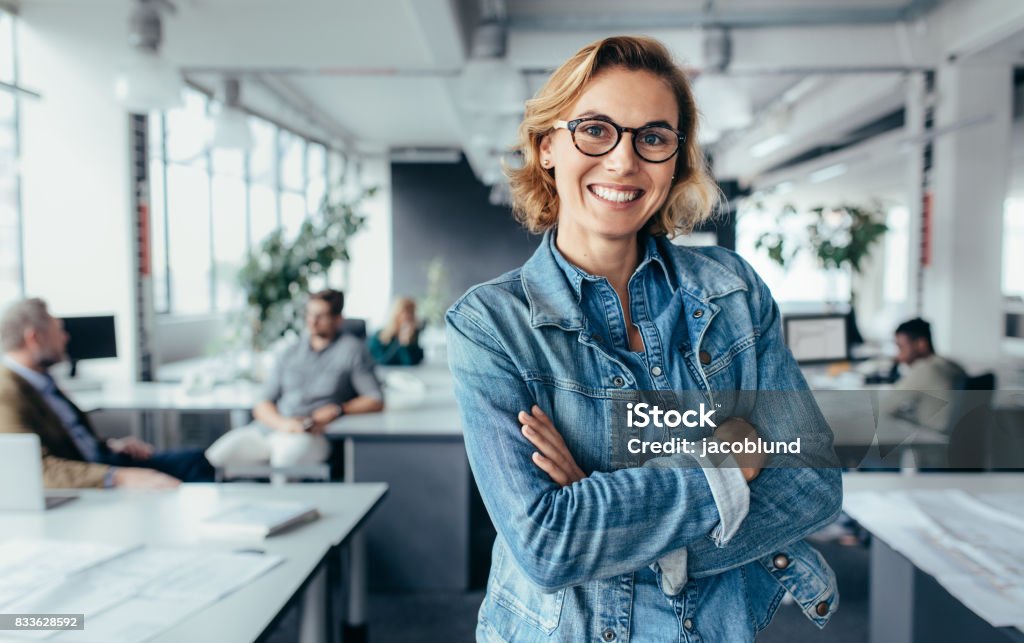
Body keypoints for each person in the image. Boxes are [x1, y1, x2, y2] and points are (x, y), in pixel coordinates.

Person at [445, 36, 841, 642]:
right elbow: (547, 545)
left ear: (675, 160)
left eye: (652, 137)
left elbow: (810, 480)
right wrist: (724, 465)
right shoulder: (492, 325)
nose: (624, 161)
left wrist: (610, 516)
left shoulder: (731, 292)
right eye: (595, 130)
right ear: (548, 145)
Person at [0, 298, 213, 488]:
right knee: (188, 469)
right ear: (34, 338)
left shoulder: (42, 381)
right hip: (90, 476)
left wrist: (110, 445)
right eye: (59, 331)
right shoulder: (7, 392)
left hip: (103, 460)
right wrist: (120, 477)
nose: (66, 338)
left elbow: (71, 437)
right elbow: (33, 469)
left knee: (194, 459)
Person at [205, 289, 384, 470]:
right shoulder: (290, 351)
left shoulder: (352, 351)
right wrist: (284, 424)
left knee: (284, 461)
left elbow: (375, 399)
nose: (313, 322)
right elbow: (262, 403)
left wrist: (338, 410)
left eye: (321, 316)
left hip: (311, 434)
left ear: (338, 319)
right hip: (272, 428)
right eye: (310, 314)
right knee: (217, 457)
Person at [879, 317, 967, 432]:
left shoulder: (923, 369)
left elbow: (885, 408)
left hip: (931, 439)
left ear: (921, 344)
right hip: (951, 437)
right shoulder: (953, 365)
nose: (898, 356)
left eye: (901, 348)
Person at [368, 297, 424, 366]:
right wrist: (398, 343)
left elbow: (410, 363)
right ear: (396, 314)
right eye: (405, 312)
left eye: (411, 312)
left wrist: (405, 344)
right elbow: (381, 362)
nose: (408, 316)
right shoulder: (379, 336)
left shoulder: (413, 337)